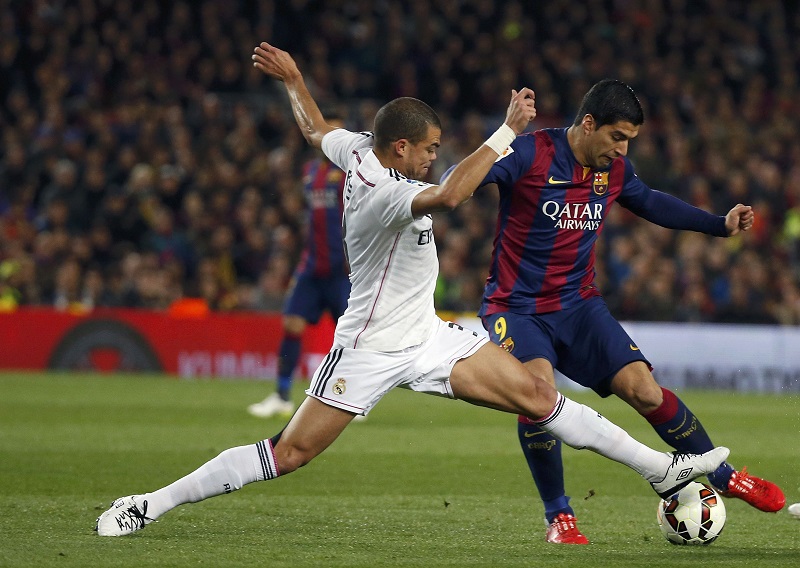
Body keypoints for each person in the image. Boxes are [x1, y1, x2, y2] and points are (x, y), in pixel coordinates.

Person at [95, 44, 729, 538]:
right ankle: (148, 504)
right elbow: (454, 194)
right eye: (428, 150)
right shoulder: (388, 194)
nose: (434, 157)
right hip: (370, 346)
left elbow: (317, 132)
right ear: (401, 149)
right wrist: (506, 131)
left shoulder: (360, 150)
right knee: (287, 454)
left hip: (426, 335)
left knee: (538, 395)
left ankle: (661, 469)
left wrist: (294, 82)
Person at [473, 78, 785, 544]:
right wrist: (500, 136)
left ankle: (723, 475)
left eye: (629, 141)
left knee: (646, 391)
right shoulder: (531, 154)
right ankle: (559, 515)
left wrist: (718, 225)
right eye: (617, 137)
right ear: (589, 123)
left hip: (579, 305)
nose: (621, 150)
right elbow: (463, 180)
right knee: (536, 393)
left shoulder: (614, 171)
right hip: (516, 308)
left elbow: (653, 203)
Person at [247, 123, 351, 419]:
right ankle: (281, 395)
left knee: (350, 337)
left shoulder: (349, 174)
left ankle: (353, 397)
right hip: (310, 266)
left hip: (341, 270)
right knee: (292, 324)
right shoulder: (309, 172)